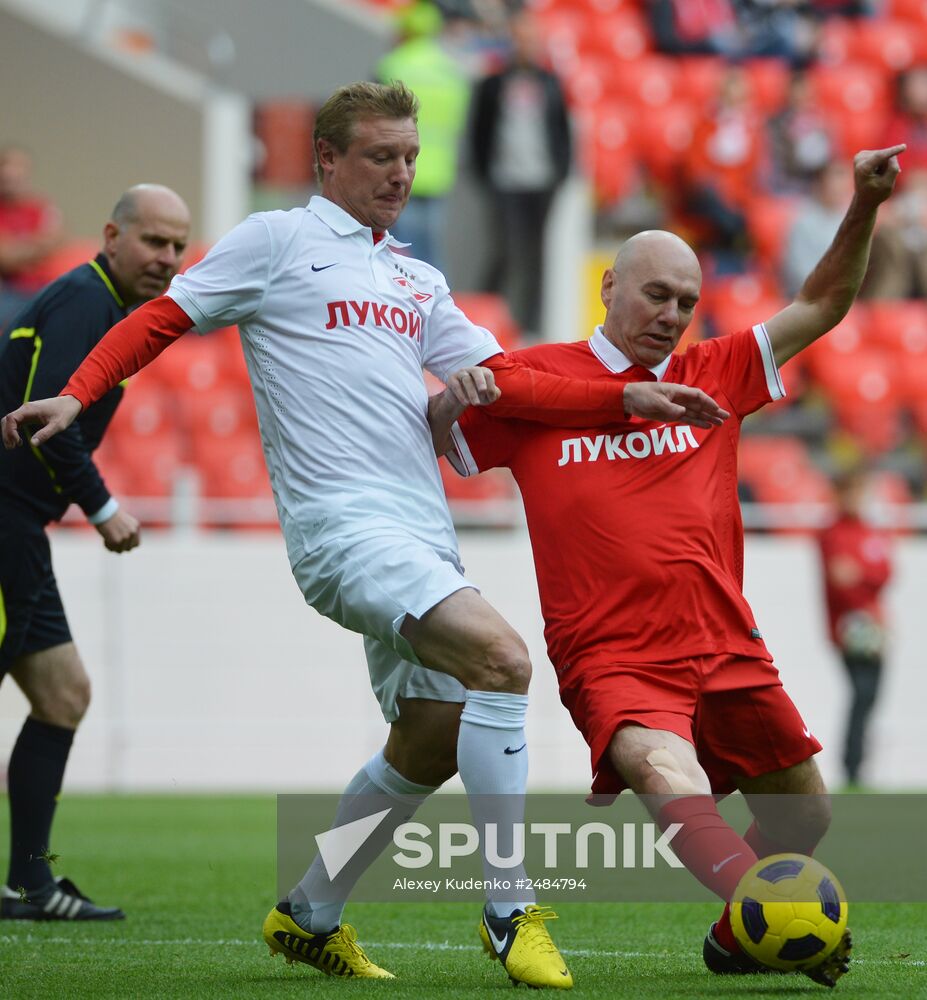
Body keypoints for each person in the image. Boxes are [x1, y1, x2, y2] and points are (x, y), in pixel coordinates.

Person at [0, 82, 726, 987]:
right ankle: (510, 910)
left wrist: (624, 396)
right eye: (381, 156)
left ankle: (309, 912)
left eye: (411, 157)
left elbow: (512, 385)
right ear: (329, 161)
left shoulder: (415, 277)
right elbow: (162, 317)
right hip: (342, 528)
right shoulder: (276, 241)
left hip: (423, 534)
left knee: (431, 733)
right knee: (502, 661)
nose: (400, 173)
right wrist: (79, 390)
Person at [438, 145, 904, 987]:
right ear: (608, 286)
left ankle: (738, 935)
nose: (672, 314)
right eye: (656, 294)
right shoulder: (537, 380)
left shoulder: (712, 371)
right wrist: (449, 397)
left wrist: (863, 205)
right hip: (611, 651)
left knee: (804, 811)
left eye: (687, 301)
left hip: (723, 638)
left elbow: (822, 302)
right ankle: (773, 915)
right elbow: (444, 436)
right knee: (661, 770)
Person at [0, 183, 191, 920]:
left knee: (63, 696)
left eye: (178, 246)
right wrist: (104, 507)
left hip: (21, 527)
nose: (168, 258)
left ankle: (31, 884)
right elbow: (51, 420)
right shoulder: (85, 300)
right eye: (154, 241)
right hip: (6, 520)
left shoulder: (108, 308)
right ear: (113, 235)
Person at [469, 10, 571, 338]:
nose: (526, 46)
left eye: (531, 39)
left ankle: (529, 325)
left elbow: (562, 131)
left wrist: (560, 173)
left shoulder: (551, 82)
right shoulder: (493, 83)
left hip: (541, 181)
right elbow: (479, 132)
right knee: (504, 251)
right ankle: (483, 320)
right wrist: (483, 174)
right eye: (520, 39)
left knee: (537, 255)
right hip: (504, 180)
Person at [377, 0, 470, 276]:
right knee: (431, 255)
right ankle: (436, 308)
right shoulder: (451, 70)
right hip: (439, 172)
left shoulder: (394, 65)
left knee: (399, 252)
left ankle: (405, 313)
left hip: (397, 168)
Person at [817, 469, 892, 788]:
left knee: (870, 695)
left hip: (873, 622)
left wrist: (860, 575)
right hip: (849, 626)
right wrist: (866, 577)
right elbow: (840, 582)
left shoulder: (868, 530)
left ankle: (858, 763)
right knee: (862, 692)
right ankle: (852, 765)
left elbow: (885, 571)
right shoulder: (833, 533)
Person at [0, 145, 64, 332]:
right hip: (8, 292)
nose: (11, 174)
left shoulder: (41, 207)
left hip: (43, 287)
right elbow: (6, 259)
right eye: (6, 167)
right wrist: (36, 246)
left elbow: (55, 242)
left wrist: (17, 248)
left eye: (18, 168)